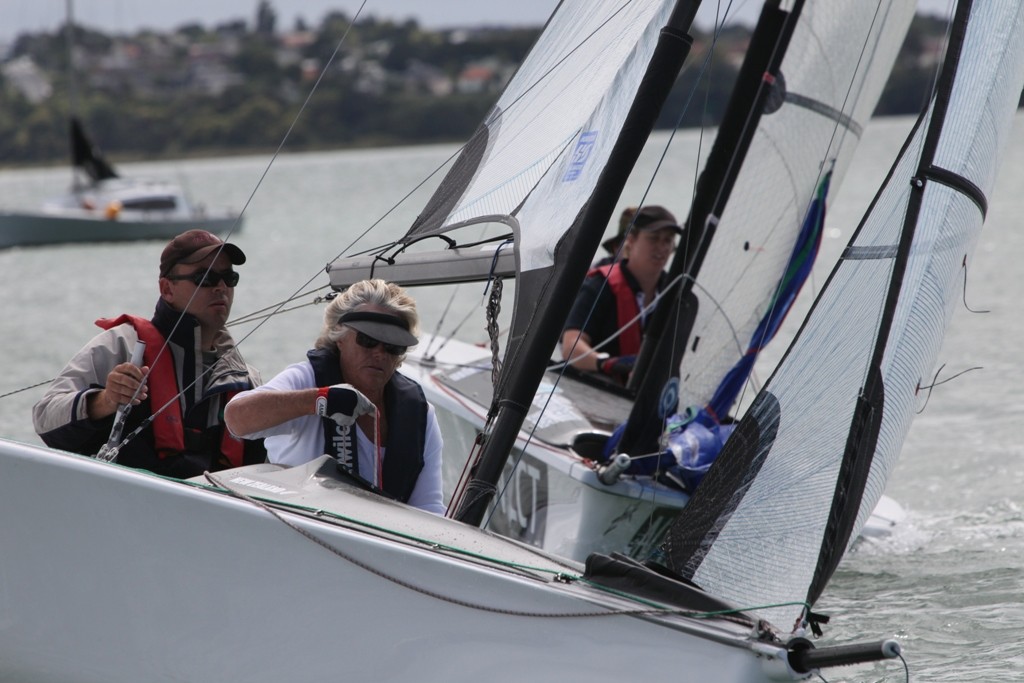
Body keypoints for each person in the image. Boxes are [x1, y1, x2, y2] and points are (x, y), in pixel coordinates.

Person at [33, 229, 266, 477]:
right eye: (205, 277)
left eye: (229, 278)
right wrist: (106, 400)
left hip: (208, 511)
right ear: (167, 289)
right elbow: (44, 417)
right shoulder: (121, 346)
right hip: (125, 504)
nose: (220, 287)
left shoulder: (245, 380)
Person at [224, 279, 445, 515]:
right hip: (303, 534)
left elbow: (428, 508)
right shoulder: (306, 379)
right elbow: (236, 418)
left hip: (377, 545)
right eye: (368, 340)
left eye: (393, 347)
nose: (380, 353)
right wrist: (319, 400)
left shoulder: (420, 415)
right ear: (339, 337)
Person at [561, 205, 683, 383]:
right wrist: (607, 363)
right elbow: (570, 347)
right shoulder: (600, 285)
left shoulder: (674, 295)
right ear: (631, 240)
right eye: (654, 239)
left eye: (667, 240)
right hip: (595, 388)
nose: (662, 247)